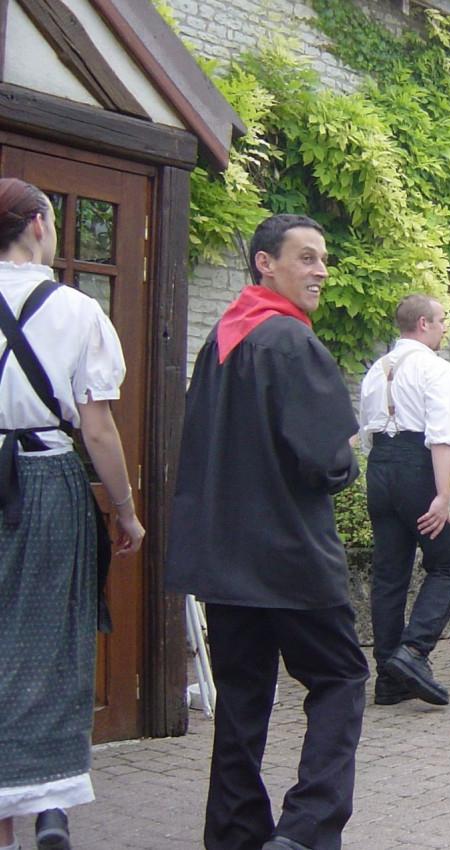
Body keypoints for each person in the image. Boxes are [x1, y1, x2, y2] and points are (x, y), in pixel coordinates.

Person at [166, 214, 367, 850]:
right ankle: (306, 829)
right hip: (291, 557)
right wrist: (348, 458)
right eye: (305, 258)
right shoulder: (290, 342)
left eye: (323, 259)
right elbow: (326, 461)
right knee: (340, 677)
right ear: (264, 264)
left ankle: (233, 833)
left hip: (225, 558)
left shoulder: (218, 343)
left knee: (243, 699)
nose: (320, 271)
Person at [0, 178, 144, 850]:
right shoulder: (78, 312)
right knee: (52, 639)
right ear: (36, 224)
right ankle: (51, 803)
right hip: (46, 479)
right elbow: (99, 430)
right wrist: (125, 509)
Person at [357, 294, 450, 707]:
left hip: (380, 467)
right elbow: (442, 435)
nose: (444, 328)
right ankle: (414, 652)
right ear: (423, 324)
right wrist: (442, 495)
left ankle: (389, 679)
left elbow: (365, 431)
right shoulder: (435, 369)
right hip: (418, 466)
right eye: (441, 321)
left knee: (390, 574)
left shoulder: (375, 370)